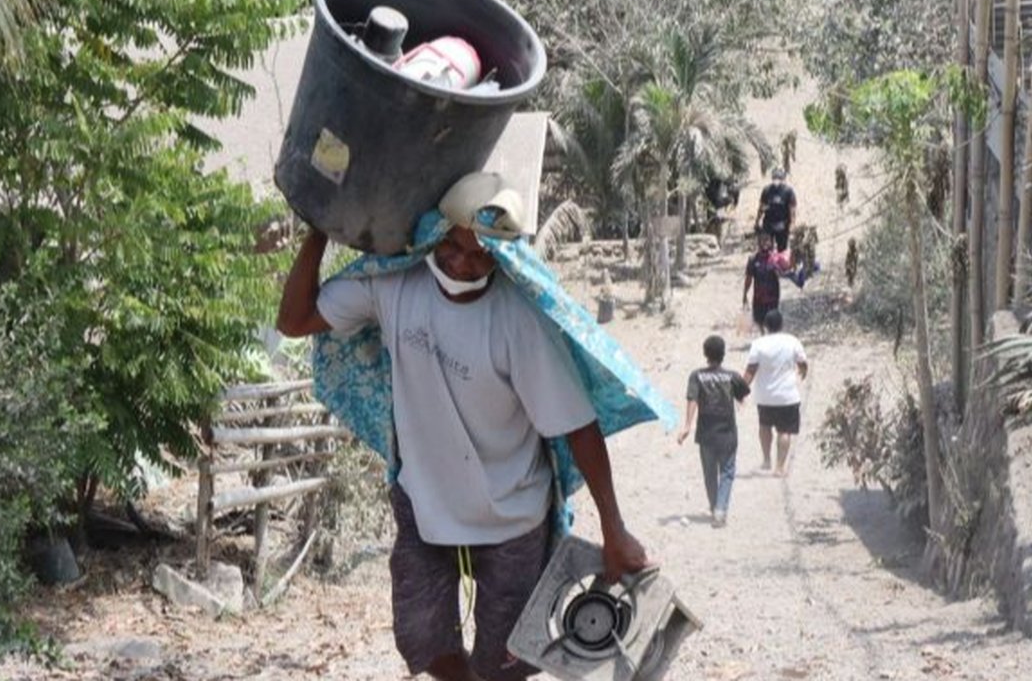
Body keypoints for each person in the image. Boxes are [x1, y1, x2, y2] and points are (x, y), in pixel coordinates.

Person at [275, 173, 654, 681]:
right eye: (453, 246)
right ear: (435, 236)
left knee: (506, 662)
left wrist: (614, 527)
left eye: (480, 255)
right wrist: (320, 232)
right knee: (423, 642)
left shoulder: (519, 323)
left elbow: (578, 427)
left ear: (502, 256)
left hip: (511, 516)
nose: (463, 263)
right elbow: (294, 321)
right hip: (424, 504)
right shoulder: (392, 289)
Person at [677, 335, 750, 527]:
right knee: (727, 471)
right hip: (727, 433)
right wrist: (739, 400)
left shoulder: (696, 376)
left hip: (706, 434)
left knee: (709, 472)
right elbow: (743, 393)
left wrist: (687, 426)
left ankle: (714, 506)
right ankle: (720, 510)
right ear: (723, 354)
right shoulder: (732, 376)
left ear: (705, 354)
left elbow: (692, 399)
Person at [743, 310, 808, 476]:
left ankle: (766, 460)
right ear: (781, 324)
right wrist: (803, 372)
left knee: (764, 427)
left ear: (765, 325)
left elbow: (751, 370)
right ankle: (779, 467)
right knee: (784, 431)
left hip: (765, 396)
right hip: (787, 396)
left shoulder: (758, 344)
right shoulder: (792, 341)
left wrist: (741, 389)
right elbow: (802, 362)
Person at [743, 231, 781, 333]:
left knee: (772, 323)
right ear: (758, 242)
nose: (764, 243)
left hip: (773, 297)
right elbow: (749, 278)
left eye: (767, 240)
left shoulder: (776, 258)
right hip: (759, 298)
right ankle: (763, 337)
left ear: (771, 243)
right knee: (759, 322)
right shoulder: (753, 259)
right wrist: (745, 294)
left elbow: (784, 272)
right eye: (762, 240)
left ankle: (770, 339)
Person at [755, 167, 797, 251]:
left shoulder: (788, 191)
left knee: (782, 249)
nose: (776, 180)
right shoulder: (767, 190)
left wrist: (792, 223)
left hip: (783, 225)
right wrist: (757, 220)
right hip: (769, 224)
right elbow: (762, 207)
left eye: (779, 178)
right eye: (775, 177)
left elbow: (792, 209)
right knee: (767, 249)